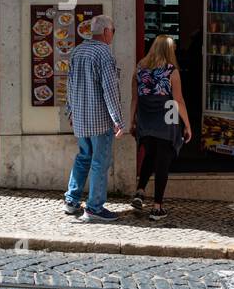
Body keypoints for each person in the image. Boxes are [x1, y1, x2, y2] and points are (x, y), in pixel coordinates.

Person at [63, 13, 126, 222]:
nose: (113, 35)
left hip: (80, 118)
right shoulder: (104, 54)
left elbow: (69, 85)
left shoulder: (77, 51)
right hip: (99, 120)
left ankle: (71, 202)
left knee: (83, 158)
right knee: (99, 162)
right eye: (114, 31)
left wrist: (70, 110)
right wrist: (118, 121)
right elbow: (110, 89)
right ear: (107, 32)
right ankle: (94, 208)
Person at [129, 34, 192, 221]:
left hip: (146, 118)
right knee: (163, 161)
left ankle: (140, 191)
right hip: (167, 116)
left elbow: (135, 99)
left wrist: (131, 121)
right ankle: (157, 207)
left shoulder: (139, 68)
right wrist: (188, 125)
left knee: (150, 154)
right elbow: (178, 101)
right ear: (169, 50)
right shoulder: (171, 71)